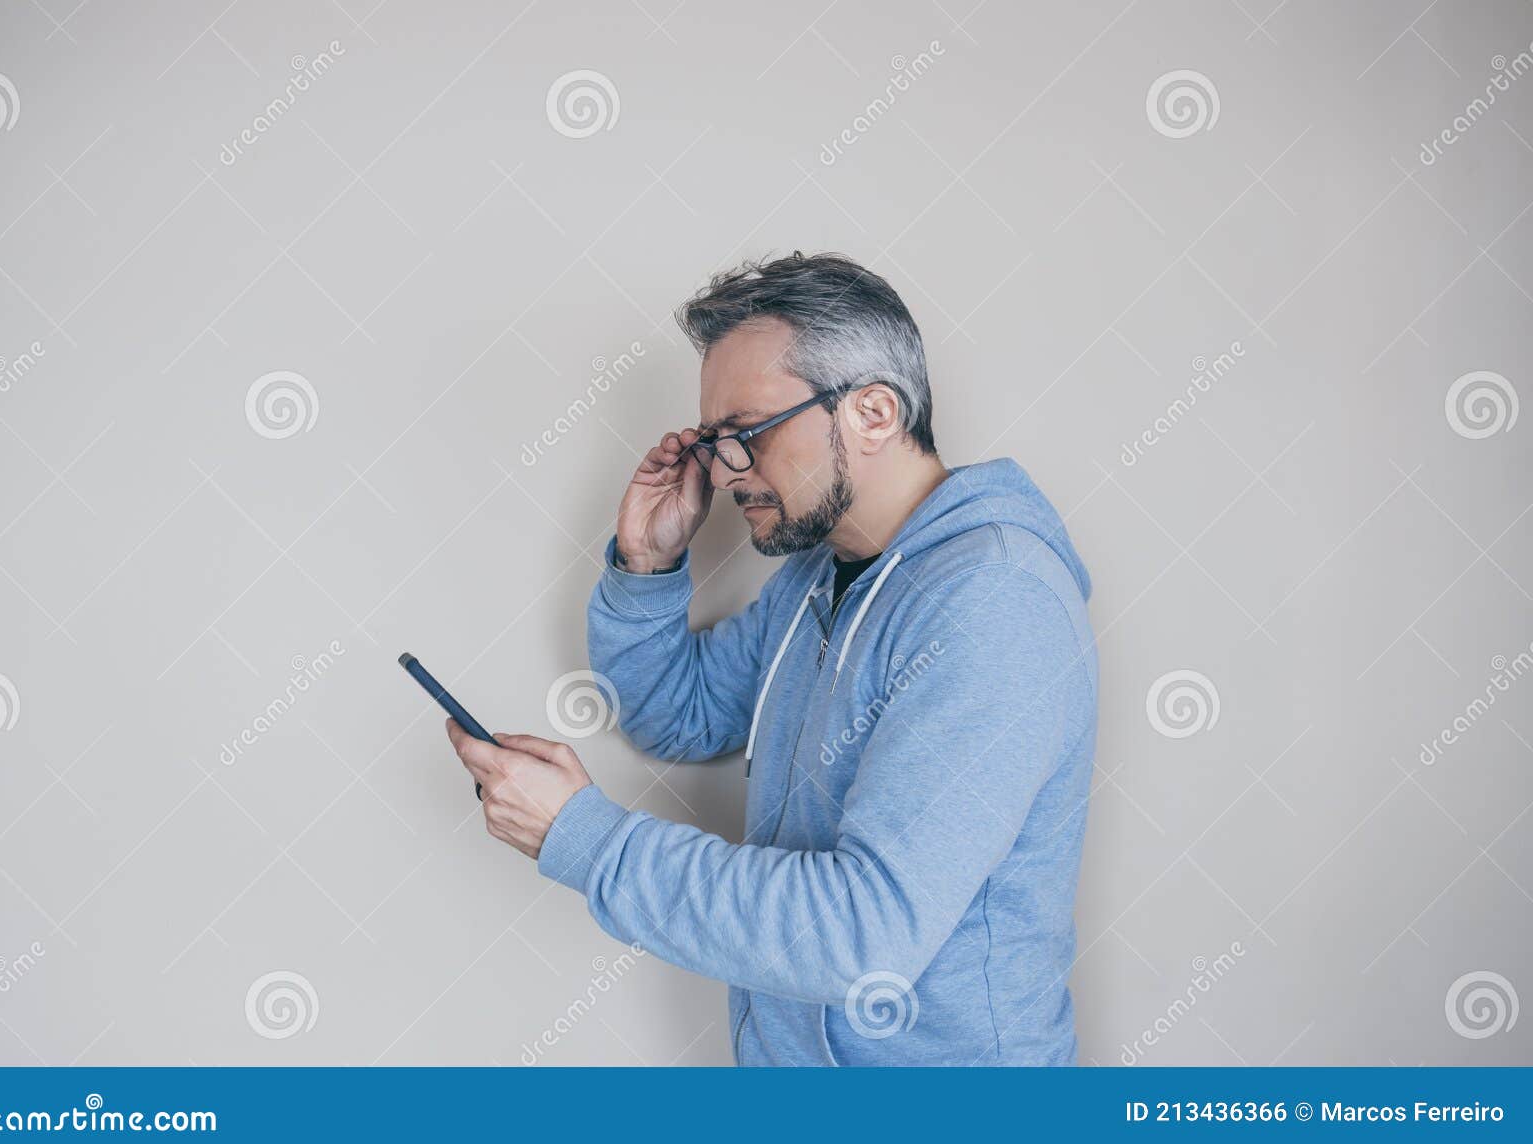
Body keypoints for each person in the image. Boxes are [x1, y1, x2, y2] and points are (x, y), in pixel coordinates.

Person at [448, 252, 1098, 1065]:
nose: (724, 473)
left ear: (873, 412)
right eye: (713, 443)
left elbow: (865, 935)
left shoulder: (995, 602)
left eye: (745, 435)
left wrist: (589, 841)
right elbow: (677, 715)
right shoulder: (818, 578)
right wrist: (647, 565)